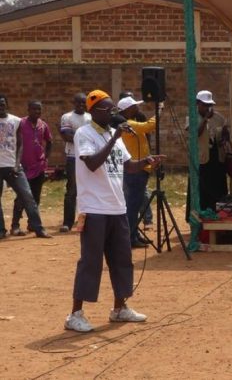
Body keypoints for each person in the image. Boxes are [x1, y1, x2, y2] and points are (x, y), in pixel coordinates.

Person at [64, 90, 163, 333]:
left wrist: (146, 162)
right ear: (93, 111)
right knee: (91, 261)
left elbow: (128, 166)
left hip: (117, 207)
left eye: (113, 109)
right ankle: (75, 314)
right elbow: (92, 162)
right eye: (108, 109)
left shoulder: (115, 135)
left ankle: (120, 308)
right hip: (94, 208)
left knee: (122, 260)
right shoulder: (84, 134)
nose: (112, 113)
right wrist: (113, 138)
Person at [0, 95, 52, 239]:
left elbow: (20, 144)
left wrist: (17, 164)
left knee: (27, 196)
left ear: (7, 105)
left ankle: (38, 228)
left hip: (13, 166)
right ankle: (1, 230)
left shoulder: (16, 121)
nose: (1, 107)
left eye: (3, 104)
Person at [117, 95, 156, 247]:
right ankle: (130, 238)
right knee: (133, 206)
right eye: (134, 106)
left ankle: (134, 234)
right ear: (127, 110)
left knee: (136, 204)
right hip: (135, 169)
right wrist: (159, 112)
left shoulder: (131, 122)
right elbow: (148, 126)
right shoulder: (127, 124)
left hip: (140, 168)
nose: (138, 108)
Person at [190, 90, 229, 211]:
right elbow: (196, 133)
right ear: (198, 103)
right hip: (202, 159)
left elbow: (225, 133)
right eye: (205, 105)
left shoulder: (219, 118)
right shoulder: (192, 117)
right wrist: (205, 119)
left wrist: (224, 139)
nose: (208, 108)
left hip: (216, 158)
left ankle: (217, 212)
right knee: (203, 190)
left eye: (210, 105)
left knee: (218, 188)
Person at [59, 92, 91, 232]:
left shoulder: (90, 118)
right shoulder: (67, 117)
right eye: (78, 102)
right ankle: (67, 222)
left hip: (89, 157)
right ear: (74, 103)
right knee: (72, 190)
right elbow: (67, 137)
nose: (81, 105)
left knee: (89, 189)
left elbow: (92, 137)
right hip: (73, 157)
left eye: (84, 102)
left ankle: (86, 221)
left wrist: (77, 136)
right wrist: (85, 139)